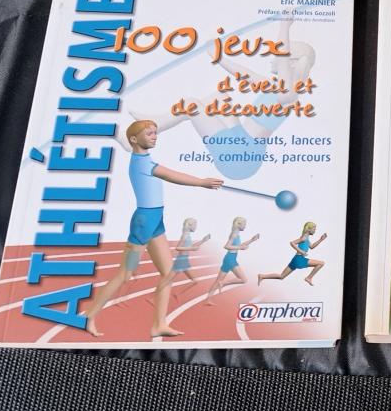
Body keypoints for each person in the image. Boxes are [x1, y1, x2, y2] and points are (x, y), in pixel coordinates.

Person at [127, 18, 317, 179]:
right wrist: (217, 56)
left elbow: (281, 56)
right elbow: (245, 74)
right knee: (220, 98)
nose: (272, 56)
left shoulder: (288, 94)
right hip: (241, 143)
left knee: (192, 105)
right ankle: (155, 124)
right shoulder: (278, 89)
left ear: (291, 62)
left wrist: (284, 26)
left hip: (241, 157)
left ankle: (147, 130)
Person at [83, 120, 223, 338]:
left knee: (168, 273)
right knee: (125, 274)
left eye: (155, 133)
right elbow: (171, 175)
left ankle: (159, 324)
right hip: (144, 224)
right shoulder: (141, 163)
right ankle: (88, 317)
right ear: (133, 139)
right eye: (149, 133)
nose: (155, 136)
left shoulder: (146, 160)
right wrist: (201, 182)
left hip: (155, 221)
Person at [205, 217, 260, 304]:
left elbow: (241, 245)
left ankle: (208, 300)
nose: (245, 226)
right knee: (243, 279)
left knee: (217, 281)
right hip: (230, 259)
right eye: (244, 224)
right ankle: (223, 283)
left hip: (229, 258)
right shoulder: (234, 234)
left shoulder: (237, 234)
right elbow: (226, 246)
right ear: (239, 224)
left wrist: (252, 240)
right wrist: (240, 248)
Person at [257, 222, 327, 287]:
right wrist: (301, 251)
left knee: (281, 276)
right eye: (314, 229)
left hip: (295, 259)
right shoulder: (304, 237)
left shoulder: (306, 238)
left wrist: (321, 239)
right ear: (309, 229)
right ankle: (309, 278)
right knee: (321, 263)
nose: (315, 231)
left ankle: (262, 276)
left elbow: (312, 246)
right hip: (299, 259)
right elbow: (292, 243)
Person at [169, 218, 210, 294]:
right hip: (181, 260)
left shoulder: (187, 235)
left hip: (184, 260)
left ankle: (177, 294)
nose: (196, 227)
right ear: (190, 225)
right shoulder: (185, 235)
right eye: (195, 225)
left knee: (195, 281)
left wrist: (203, 240)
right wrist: (191, 248)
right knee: (168, 280)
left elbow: (191, 246)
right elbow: (178, 247)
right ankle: (153, 297)